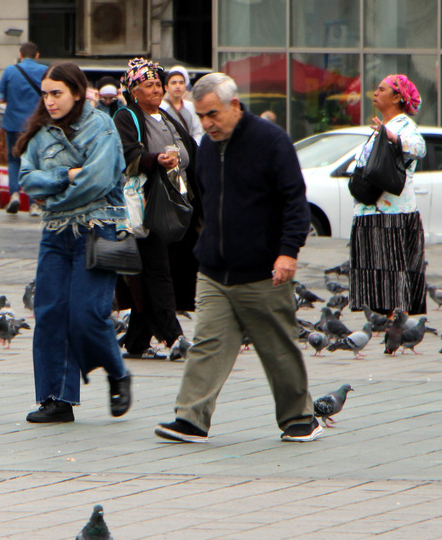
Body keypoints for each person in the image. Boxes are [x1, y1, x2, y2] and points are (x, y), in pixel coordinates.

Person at [154, 72, 321, 443]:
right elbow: (204, 202)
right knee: (207, 344)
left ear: (234, 105)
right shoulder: (207, 149)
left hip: (264, 270)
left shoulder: (271, 142)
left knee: (277, 348)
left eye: (213, 114)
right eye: (202, 116)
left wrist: (287, 253)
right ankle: (191, 418)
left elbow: (295, 202)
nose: (208, 123)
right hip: (214, 269)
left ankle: (300, 418)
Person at [17, 62, 132, 423]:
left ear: (78, 93)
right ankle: (57, 399)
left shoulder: (101, 127)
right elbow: (26, 178)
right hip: (54, 235)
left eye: (57, 94)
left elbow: (97, 181)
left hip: (98, 231)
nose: (49, 101)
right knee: (49, 314)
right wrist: (63, 175)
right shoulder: (41, 133)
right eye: (45, 94)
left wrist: (51, 197)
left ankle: (118, 373)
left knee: (87, 314)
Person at [113, 58, 201, 359]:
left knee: (148, 272)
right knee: (157, 269)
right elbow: (127, 154)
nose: (157, 90)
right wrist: (156, 160)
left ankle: (137, 341)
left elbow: (188, 149)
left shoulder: (166, 117)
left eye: (158, 85)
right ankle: (173, 336)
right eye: (149, 85)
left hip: (169, 204)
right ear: (133, 90)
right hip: (143, 206)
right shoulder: (126, 117)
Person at [349, 75, 427, 316]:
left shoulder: (404, 126)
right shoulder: (382, 127)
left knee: (391, 269)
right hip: (372, 212)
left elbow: (420, 148)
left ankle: (394, 320)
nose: (376, 93)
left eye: (382, 89)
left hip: (391, 214)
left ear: (397, 98)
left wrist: (394, 138)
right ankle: (383, 319)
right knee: (375, 271)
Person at [0, 42, 48, 215]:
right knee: (35, 162)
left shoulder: (10, 71)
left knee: (13, 160)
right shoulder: (45, 71)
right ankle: (34, 203)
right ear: (37, 55)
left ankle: (15, 195)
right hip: (36, 125)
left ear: (20, 55)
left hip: (12, 124)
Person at [161, 65, 204, 145]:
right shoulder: (160, 107)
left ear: (185, 86)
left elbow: (198, 132)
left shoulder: (191, 106)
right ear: (166, 87)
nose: (178, 86)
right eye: (173, 83)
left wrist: (193, 147)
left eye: (181, 83)